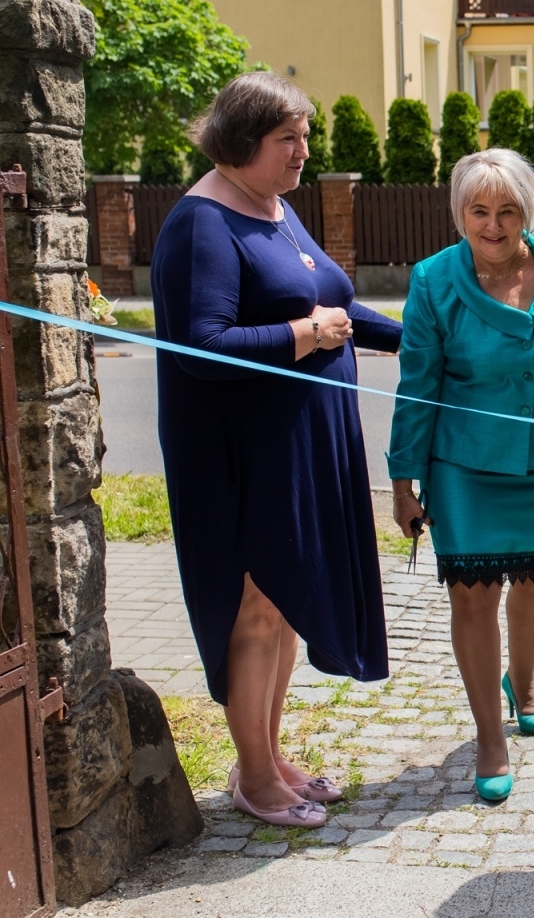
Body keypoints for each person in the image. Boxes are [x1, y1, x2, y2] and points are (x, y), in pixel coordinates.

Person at [151, 71, 402, 829]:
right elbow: (202, 346)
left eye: (304, 136)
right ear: (240, 140)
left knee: (284, 601)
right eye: (287, 138)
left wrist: (422, 337)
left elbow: (336, 304)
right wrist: (305, 337)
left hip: (299, 444)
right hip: (241, 454)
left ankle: (269, 754)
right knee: (256, 607)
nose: (302, 151)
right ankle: (256, 780)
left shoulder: (273, 207)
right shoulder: (205, 224)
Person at [388, 148, 534, 803]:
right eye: (478, 211)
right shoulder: (434, 280)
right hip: (463, 463)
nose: (492, 225)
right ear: (460, 213)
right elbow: (417, 387)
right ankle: (490, 737)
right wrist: (403, 483)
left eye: (507, 211)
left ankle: (523, 680)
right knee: (473, 595)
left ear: (528, 213)